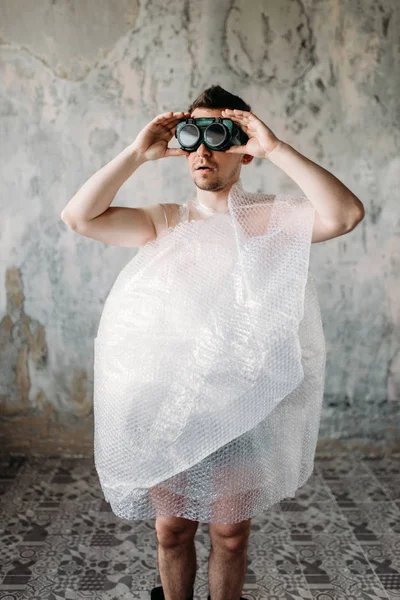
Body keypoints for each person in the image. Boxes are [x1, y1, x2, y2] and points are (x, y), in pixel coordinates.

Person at [61, 85, 365, 600]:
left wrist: (276, 148)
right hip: (169, 408)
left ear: (242, 147)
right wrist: (137, 152)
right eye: (193, 136)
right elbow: (78, 217)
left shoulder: (266, 219)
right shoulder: (166, 221)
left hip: (241, 410)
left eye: (219, 135)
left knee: (230, 534)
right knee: (172, 530)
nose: (204, 149)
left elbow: (344, 215)